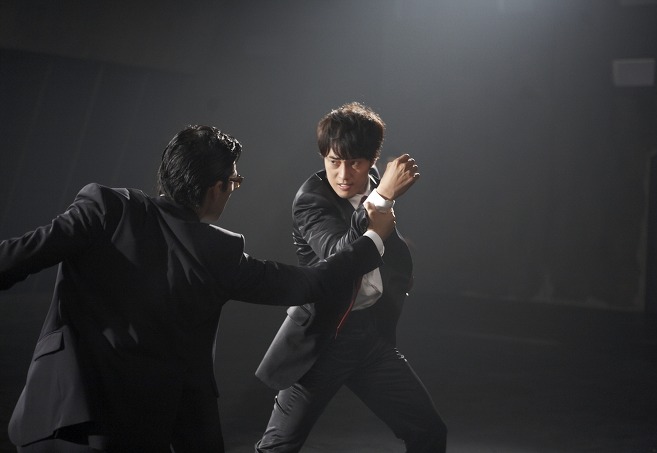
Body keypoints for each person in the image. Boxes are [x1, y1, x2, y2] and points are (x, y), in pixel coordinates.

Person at [0, 124, 399, 452]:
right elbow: (311, 282)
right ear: (215, 189)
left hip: (52, 417)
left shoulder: (105, 208)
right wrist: (373, 240)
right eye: (233, 182)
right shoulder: (218, 253)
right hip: (138, 433)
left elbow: (14, 257)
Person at [254, 102, 447, 452]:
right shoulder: (311, 200)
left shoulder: (372, 185)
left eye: (355, 162)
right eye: (333, 161)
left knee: (429, 431)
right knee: (278, 447)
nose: (343, 174)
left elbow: (385, 238)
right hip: (322, 341)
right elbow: (340, 253)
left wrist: (397, 272)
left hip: (369, 337)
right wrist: (383, 197)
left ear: (373, 160)